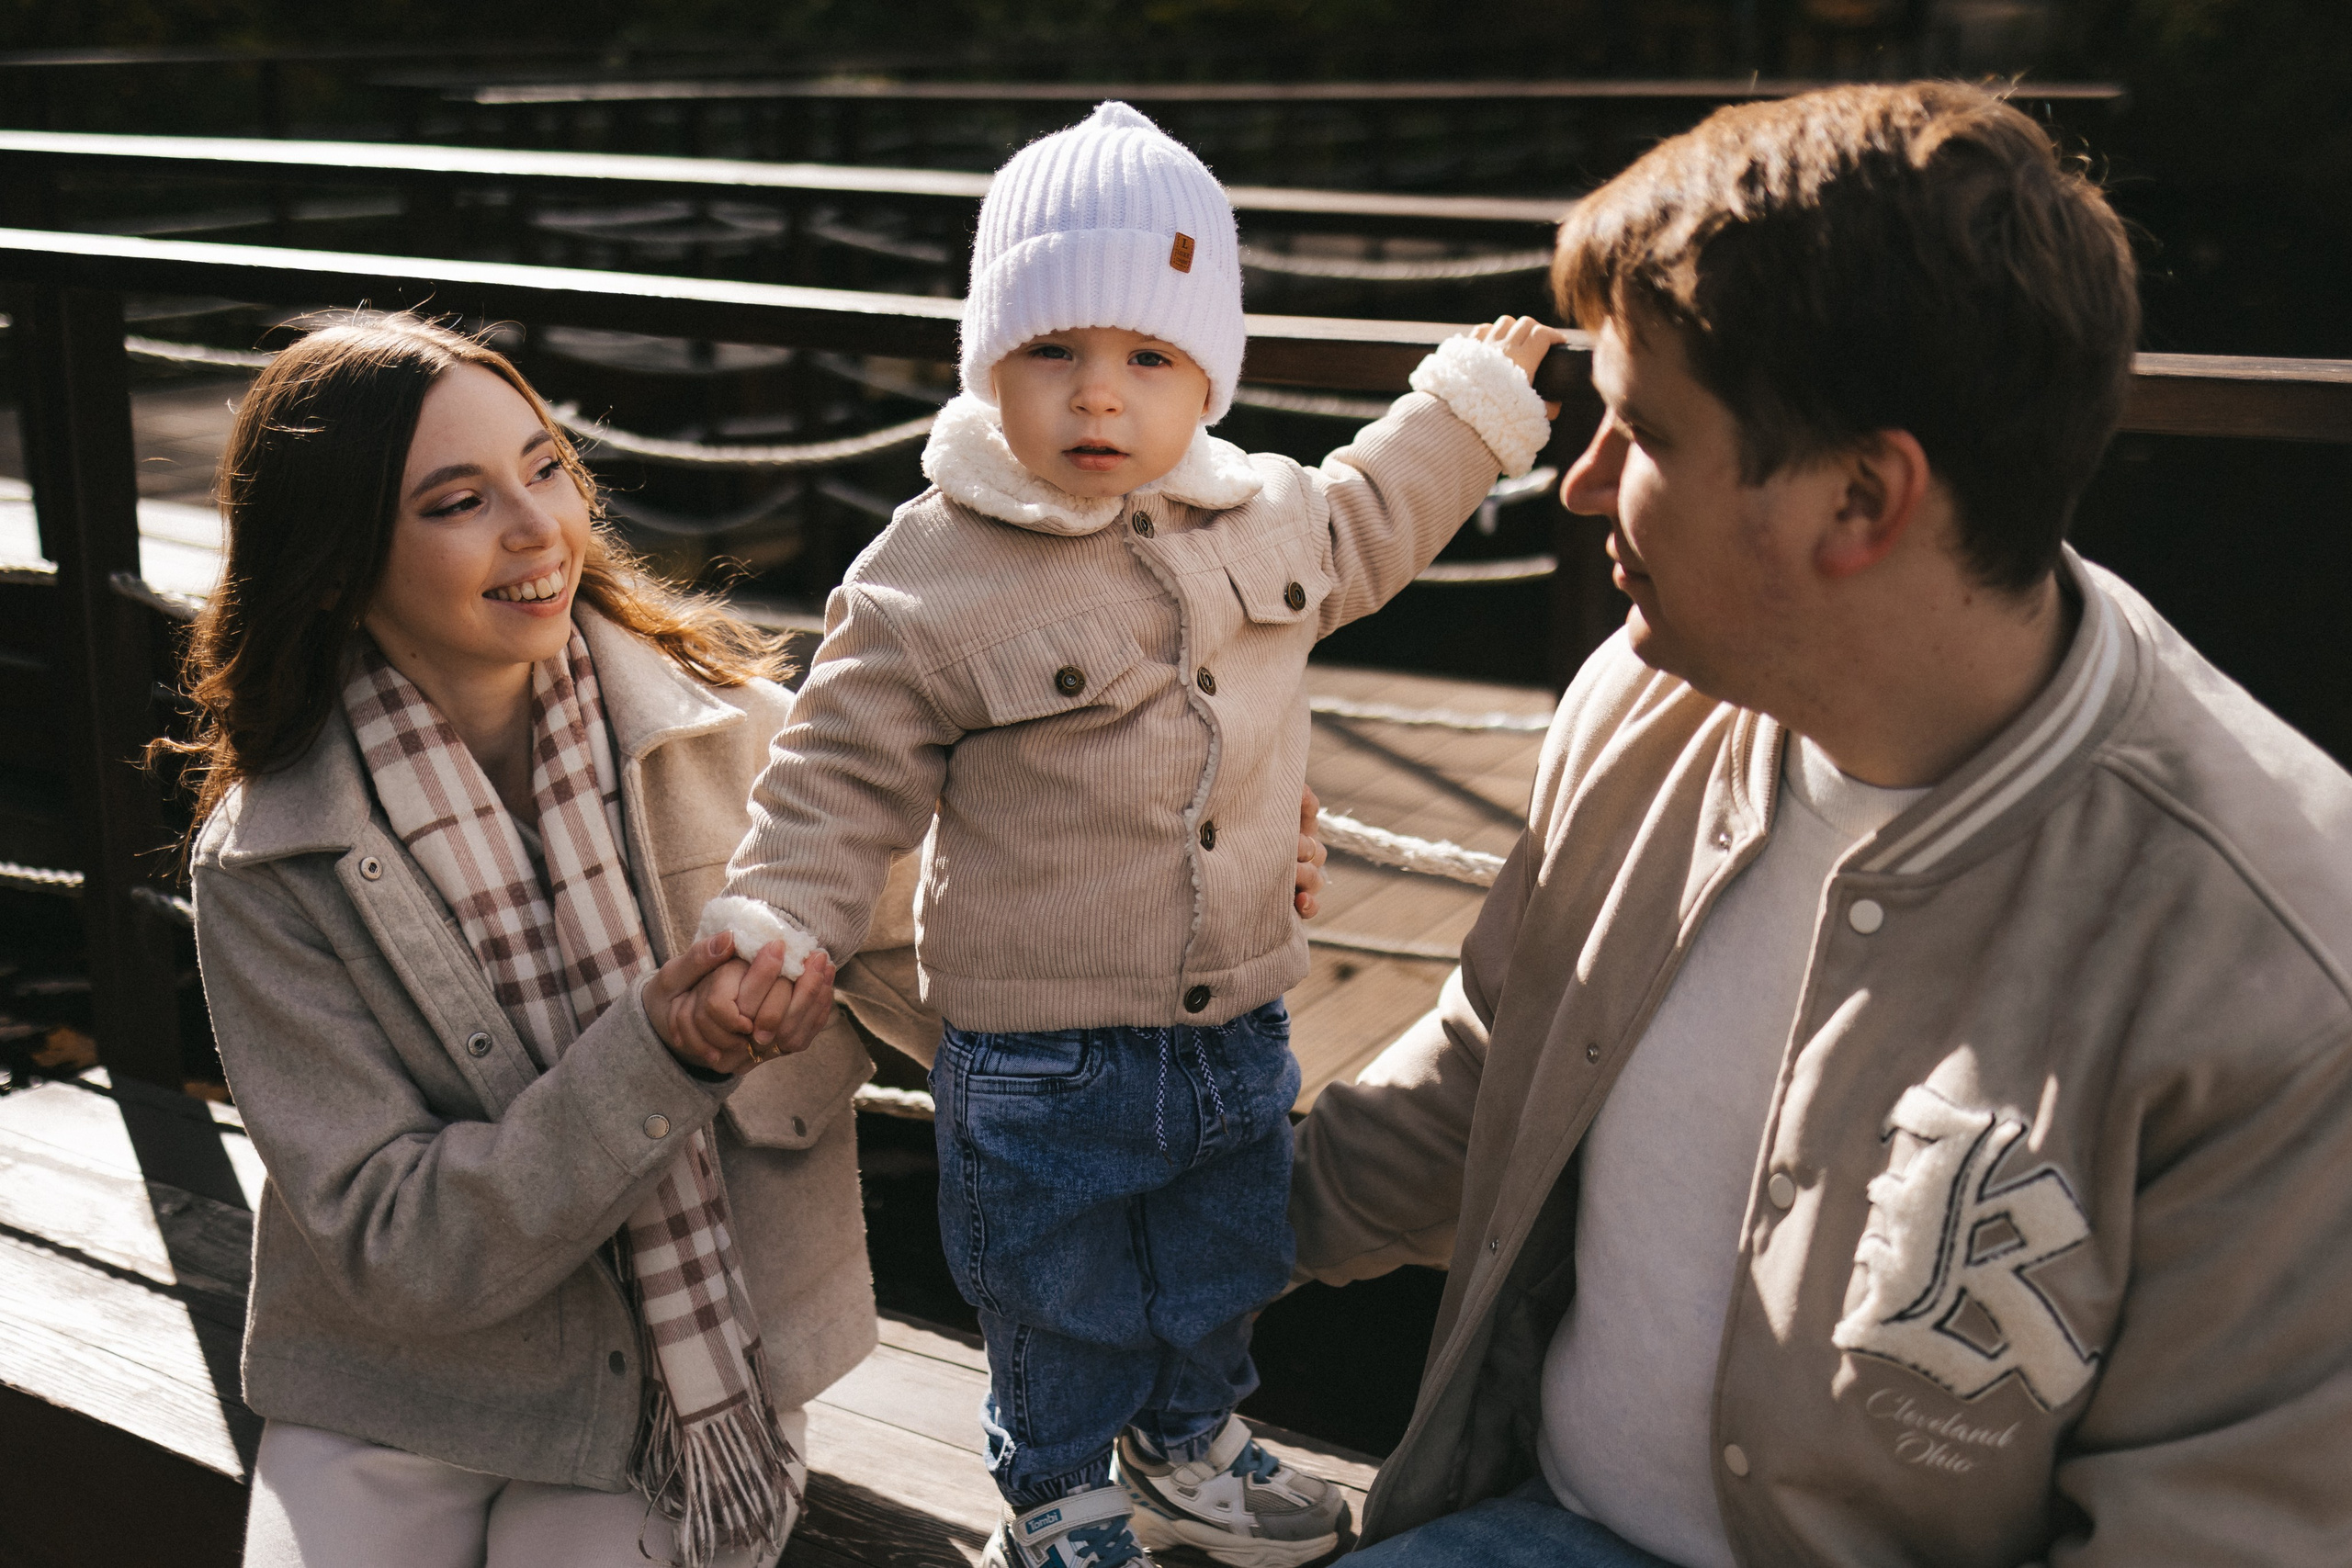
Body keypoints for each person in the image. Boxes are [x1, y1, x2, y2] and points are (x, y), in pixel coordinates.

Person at [1287, 81, 2352, 1568]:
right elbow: (1496, 1061)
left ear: (1861, 498)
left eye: (1639, 432)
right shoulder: (1641, 700)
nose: (1580, 485)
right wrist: (1149, 1215)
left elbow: (2216, 1530)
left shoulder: (2286, 956)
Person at [695, 101, 1566, 1568]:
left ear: (1204, 376)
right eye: (1055, 354)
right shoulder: (933, 572)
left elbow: (1369, 517)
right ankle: (1054, 1491)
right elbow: (834, 773)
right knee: (1055, 1291)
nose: (1101, 398)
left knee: (1222, 1256)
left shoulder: (1256, 518)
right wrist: (781, 918)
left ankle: (1187, 1449)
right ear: (990, 365)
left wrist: (1466, 409)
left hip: (1235, 1014)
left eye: (1149, 359)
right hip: (1038, 1048)